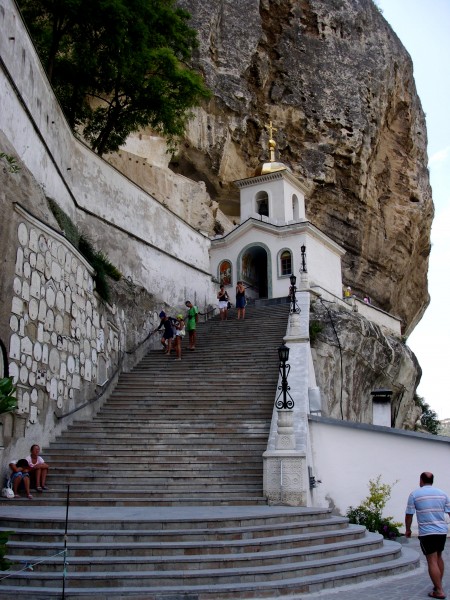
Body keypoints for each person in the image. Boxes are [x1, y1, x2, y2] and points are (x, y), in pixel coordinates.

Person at [405, 472, 450, 599]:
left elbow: (409, 514)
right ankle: (437, 586)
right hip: (441, 531)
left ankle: (439, 591)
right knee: (439, 557)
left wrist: (408, 529)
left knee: (431, 561)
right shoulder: (442, 494)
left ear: (421, 480)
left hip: (427, 532)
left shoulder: (415, 494)